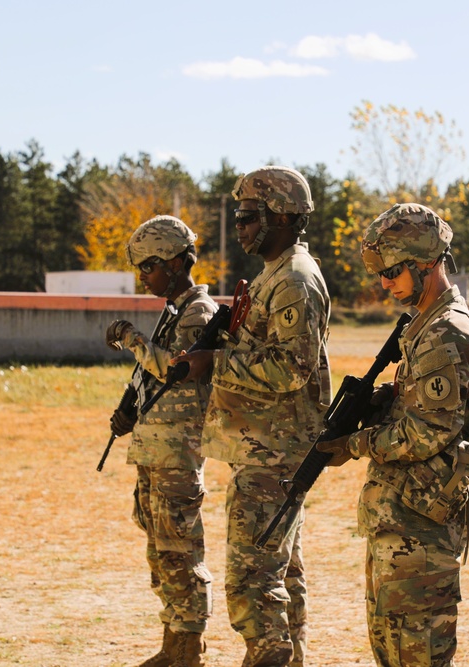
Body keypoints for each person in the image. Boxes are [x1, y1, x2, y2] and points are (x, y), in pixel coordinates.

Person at [316, 203, 469, 667]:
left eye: (393, 270)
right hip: (404, 523)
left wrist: (354, 444)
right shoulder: (427, 326)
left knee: (415, 655)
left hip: (421, 532)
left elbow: (429, 432)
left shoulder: (444, 332)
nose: (385, 282)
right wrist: (387, 399)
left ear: (427, 264)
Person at [176, 166, 331, 667]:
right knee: (281, 573)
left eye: (248, 216)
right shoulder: (274, 274)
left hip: (275, 452)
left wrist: (213, 363)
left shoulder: (293, 280)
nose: (239, 225)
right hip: (267, 447)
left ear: (282, 216)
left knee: (252, 578)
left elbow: (293, 369)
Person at [104, 215, 217, 667]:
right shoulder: (173, 311)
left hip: (177, 451)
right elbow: (156, 380)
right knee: (160, 550)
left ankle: (189, 647)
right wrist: (130, 410)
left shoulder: (199, 313)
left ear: (176, 261)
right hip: (155, 449)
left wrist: (132, 339)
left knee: (180, 550)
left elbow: (177, 367)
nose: (143, 276)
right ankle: (173, 643)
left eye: (149, 265)